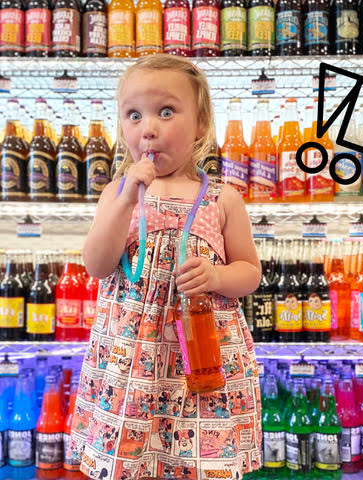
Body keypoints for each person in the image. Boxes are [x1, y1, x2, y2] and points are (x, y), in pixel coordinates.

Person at [69, 54, 263, 480]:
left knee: (199, 458)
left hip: (202, 357)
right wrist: (123, 203)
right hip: (131, 359)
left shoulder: (222, 199)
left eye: (166, 111)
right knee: (134, 455)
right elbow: (97, 265)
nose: (148, 128)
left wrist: (216, 276)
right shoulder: (117, 194)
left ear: (201, 124)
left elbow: (250, 272)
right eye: (134, 115)